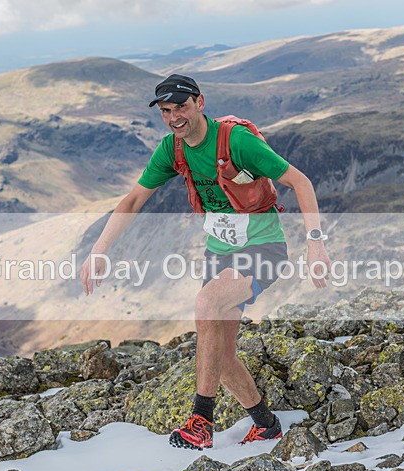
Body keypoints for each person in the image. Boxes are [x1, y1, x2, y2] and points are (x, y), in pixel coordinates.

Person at [81, 74, 331, 450]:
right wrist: (99, 249)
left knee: (206, 304)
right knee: (220, 355)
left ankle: (201, 423)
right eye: (165, 111)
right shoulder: (172, 149)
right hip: (220, 254)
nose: (173, 117)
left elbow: (301, 182)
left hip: (264, 248)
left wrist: (315, 244)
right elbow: (132, 201)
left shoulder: (237, 141)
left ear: (199, 103)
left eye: (180, 107)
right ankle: (266, 425)